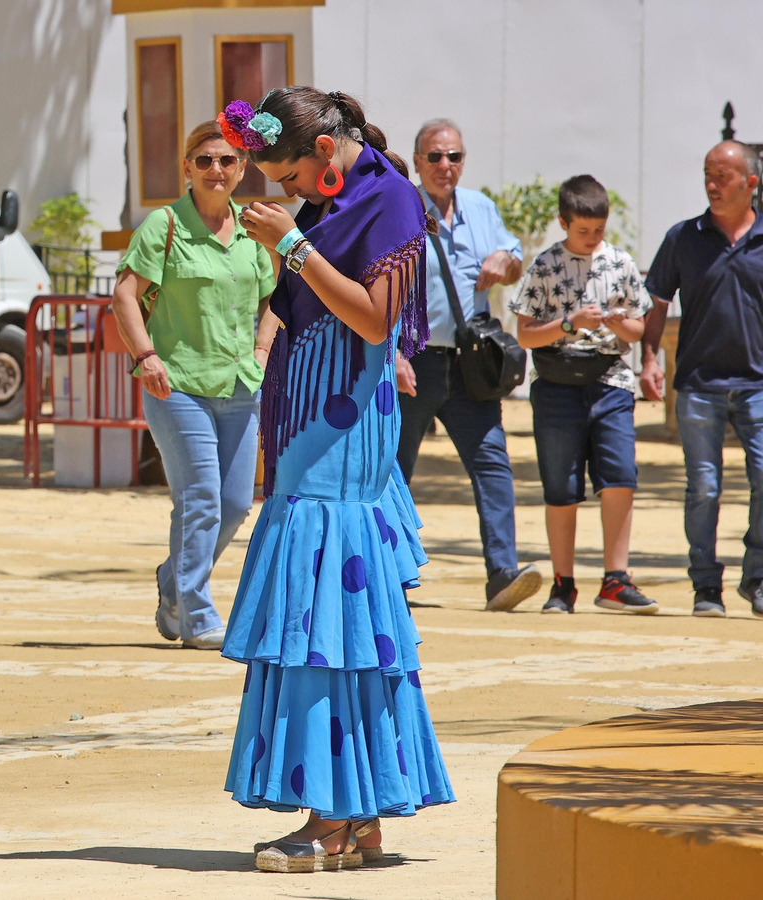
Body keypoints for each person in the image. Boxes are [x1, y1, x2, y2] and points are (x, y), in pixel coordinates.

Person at [224, 87, 455, 873]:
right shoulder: (332, 201)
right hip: (307, 422)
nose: (282, 190)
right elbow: (306, 307)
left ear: (323, 151)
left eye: (287, 174)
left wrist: (292, 246)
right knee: (321, 619)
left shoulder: (390, 197)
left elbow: (371, 317)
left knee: (328, 618)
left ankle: (333, 819)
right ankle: (352, 819)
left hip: (343, 430)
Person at [112, 120, 276, 650]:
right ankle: (198, 613)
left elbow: (277, 295)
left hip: (240, 385)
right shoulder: (164, 226)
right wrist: (146, 356)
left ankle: (172, 584)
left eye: (227, 161)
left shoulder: (254, 229)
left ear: (242, 168)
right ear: (187, 167)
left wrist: (262, 349)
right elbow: (124, 296)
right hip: (177, 384)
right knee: (200, 498)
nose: (216, 169)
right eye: (204, 160)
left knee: (233, 505)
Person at [397, 118, 541, 611]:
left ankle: (502, 574)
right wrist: (390, 353)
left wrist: (506, 258)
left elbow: (516, 260)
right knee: (394, 471)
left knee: (492, 465)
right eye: (434, 157)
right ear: (416, 162)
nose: (445, 166)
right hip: (410, 362)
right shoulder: (399, 207)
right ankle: (392, 577)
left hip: (469, 365)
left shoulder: (481, 208)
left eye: (454, 156)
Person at [509, 175, 656, 615]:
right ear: (562, 222)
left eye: (598, 230)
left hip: (610, 380)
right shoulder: (546, 265)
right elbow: (526, 335)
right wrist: (571, 323)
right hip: (557, 383)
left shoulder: (620, 263)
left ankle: (616, 579)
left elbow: (638, 327)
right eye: (582, 231)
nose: (592, 239)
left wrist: (613, 323)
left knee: (620, 479)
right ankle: (563, 584)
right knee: (561, 486)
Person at [642, 141, 763, 617]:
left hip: (758, 386)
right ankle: (705, 586)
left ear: (750, 183)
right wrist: (650, 358)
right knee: (704, 488)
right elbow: (656, 301)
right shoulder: (683, 237)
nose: (712, 184)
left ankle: (756, 578)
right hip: (697, 386)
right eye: (708, 174)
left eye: (723, 175)